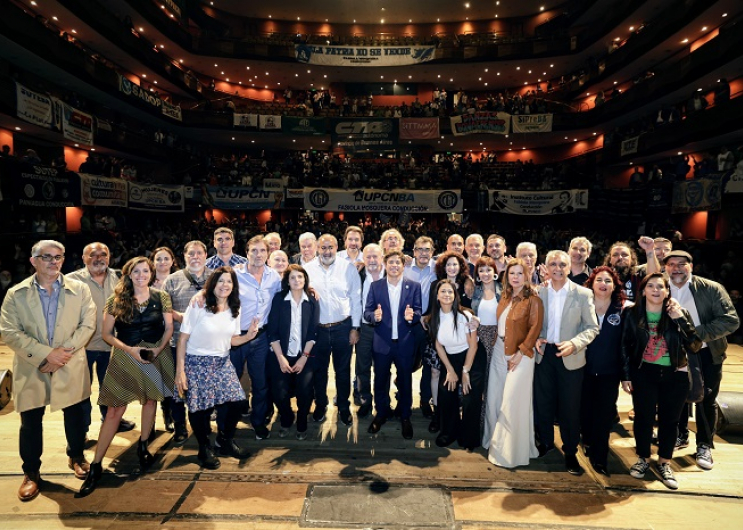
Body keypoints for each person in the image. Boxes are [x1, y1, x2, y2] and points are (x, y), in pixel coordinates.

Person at [1, 240, 96, 502]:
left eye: (58, 257)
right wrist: (46, 355)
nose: (53, 262)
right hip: (33, 365)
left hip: (69, 362)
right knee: (30, 422)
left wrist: (61, 354)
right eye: (46, 257)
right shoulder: (16, 294)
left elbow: (87, 325)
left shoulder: (80, 290)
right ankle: (31, 472)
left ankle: (76, 455)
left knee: (75, 414)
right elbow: (10, 332)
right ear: (33, 261)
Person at [79, 256, 174, 497]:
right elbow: (107, 334)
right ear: (129, 274)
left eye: (145, 271)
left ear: (151, 274)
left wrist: (158, 350)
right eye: (136, 271)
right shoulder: (115, 300)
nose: (141, 275)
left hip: (153, 355)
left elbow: (169, 327)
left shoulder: (161, 297)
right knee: (114, 411)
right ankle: (97, 465)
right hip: (125, 355)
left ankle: (143, 445)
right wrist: (130, 349)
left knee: (150, 401)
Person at [621, 272, 700, 490]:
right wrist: (626, 375)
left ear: (667, 291)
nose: (656, 290)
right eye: (651, 286)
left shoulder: (678, 313)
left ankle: (665, 462)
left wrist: (680, 319)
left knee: (670, 421)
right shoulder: (632, 313)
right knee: (643, 419)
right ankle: (643, 459)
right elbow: (625, 346)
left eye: (660, 287)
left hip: (675, 375)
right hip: (644, 373)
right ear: (643, 290)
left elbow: (694, 345)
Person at [664, 250, 740, 470]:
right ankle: (681, 435)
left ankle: (704, 444)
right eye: (671, 264)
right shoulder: (659, 286)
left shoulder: (711, 288)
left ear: (691, 266)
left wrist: (696, 334)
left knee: (706, 399)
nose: (676, 268)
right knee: (675, 396)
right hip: (672, 352)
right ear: (665, 267)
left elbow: (730, 321)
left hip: (706, 352)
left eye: (681, 264)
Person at [174, 266, 255, 469]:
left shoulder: (235, 307)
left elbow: (231, 340)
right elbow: (183, 339)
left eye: (229, 281)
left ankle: (224, 441)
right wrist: (180, 371)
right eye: (220, 281)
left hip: (221, 362)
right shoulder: (199, 305)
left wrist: (248, 336)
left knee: (237, 402)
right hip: (196, 362)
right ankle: (204, 448)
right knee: (200, 409)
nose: (225, 285)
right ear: (213, 284)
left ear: (234, 286)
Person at [534, 250, 599, 476]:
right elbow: (531, 323)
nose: (557, 268)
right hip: (544, 354)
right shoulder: (538, 292)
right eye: (553, 264)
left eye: (562, 264)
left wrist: (574, 343)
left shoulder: (582, 294)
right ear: (546, 267)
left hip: (570, 355)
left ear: (569, 267)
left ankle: (570, 452)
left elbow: (592, 328)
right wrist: (535, 338)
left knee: (570, 409)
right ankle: (545, 443)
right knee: (543, 403)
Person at [68, 243, 136, 437]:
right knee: (81, 391)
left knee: (111, 388)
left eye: (103, 254)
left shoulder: (120, 279)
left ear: (109, 257)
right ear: (83, 258)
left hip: (112, 346)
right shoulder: (71, 280)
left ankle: (111, 420)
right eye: (93, 255)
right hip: (82, 347)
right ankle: (82, 428)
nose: (98, 258)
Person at [482, 258, 543, 467]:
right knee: (494, 398)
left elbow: (535, 329)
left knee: (512, 403)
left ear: (527, 276)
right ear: (506, 276)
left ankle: (509, 453)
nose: (515, 277)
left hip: (521, 356)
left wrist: (521, 352)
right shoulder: (505, 297)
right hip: (499, 350)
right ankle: (493, 441)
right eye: (511, 273)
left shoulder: (534, 300)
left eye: (519, 273)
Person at [228, 235, 282, 439]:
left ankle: (258, 422)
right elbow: (217, 291)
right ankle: (228, 426)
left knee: (260, 383)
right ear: (247, 252)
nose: (258, 255)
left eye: (262, 251)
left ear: (268, 254)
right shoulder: (234, 274)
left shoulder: (274, 277)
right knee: (232, 382)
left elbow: (283, 297)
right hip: (236, 338)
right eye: (254, 251)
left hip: (261, 338)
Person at [304, 234, 362, 426]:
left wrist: (355, 327)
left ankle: (344, 408)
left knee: (343, 371)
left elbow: (355, 299)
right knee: (319, 371)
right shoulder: (308, 269)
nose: (327, 251)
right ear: (317, 248)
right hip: (318, 330)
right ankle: (321, 405)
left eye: (330, 247)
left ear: (337, 247)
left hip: (342, 327)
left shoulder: (348, 269)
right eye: (323, 248)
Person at [365, 250, 422, 439]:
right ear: (385, 265)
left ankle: (405, 415)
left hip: (405, 343)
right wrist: (375, 316)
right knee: (380, 380)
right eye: (391, 263)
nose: (395, 266)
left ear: (403, 266)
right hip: (382, 343)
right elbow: (367, 312)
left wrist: (412, 316)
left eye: (398, 262)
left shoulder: (414, 287)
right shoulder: (375, 286)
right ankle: (381, 412)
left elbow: (419, 313)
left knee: (405, 381)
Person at [162, 241, 213, 445]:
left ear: (205, 255)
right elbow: (165, 309)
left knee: (205, 386)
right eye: (191, 253)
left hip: (207, 344)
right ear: (184, 256)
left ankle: (205, 422)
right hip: (178, 342)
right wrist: (182, 317)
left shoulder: (215, 277)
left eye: (199, 253)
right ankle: (180, 424)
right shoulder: (172, 280)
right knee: (178, 387)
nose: (195, 257)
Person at [426, 279, 485, 449]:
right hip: (450, 358)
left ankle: (469, 436)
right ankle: (448, 432)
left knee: (470, 396)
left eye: (450, 291)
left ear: (455, 295)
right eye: (443, 291)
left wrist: (465, 371)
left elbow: (473, 345)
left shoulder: (465, 315)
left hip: (471, 357)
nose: (446, 295)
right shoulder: (433, 319)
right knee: (445, 392)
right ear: (437, 296)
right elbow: (438, 345)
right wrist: (450, 370)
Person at [580, 266, 627, 476]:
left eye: (608, 281)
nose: (603, 284)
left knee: (604, 415)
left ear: (615, 285)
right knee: (585, 411)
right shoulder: (582, 305)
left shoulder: (623, 310)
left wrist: (626, 375)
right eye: (599, 280)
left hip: (610, 372)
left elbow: (626, 345)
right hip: (583, 369)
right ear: (591, 283)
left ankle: (600, 458)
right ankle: (588, 441)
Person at [267, 264, 319, 440]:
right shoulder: (279, 299)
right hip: (281, 353)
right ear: (287, 281)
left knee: (305, 391)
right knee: (279, 392)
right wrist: (281, 358)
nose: (297, 280)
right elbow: (272, 332)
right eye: (293, 278)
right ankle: (287, 417)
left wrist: (304, 358)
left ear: (305, 280)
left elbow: (312, 332)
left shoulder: (312, 301)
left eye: (300, 277)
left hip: (305, 354)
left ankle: (302, 421)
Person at [404, 236, 437, 420]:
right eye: (419, 249)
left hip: (429, 324)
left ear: (432, 252)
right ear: (413, 251)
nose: (423, 253)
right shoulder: (405, 267)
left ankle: (425, 400)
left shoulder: (439, 268)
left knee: (428, 366)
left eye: (427, 249)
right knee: (405, 364)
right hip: (407, 324)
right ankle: (403, 399)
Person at [355, 243, 385, 419]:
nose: (372, 260)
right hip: (365, 328)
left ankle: (382, 403)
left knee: (382, 369)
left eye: (375, 256)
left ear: (382, 257)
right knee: (362, 367)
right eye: (368, 257)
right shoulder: (357, 275)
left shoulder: (391, 274)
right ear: (363, 259)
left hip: (385, 330)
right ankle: (365, 400)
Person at [471, 256, 502, 395]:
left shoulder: (503, 291)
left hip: (498, 337)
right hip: (478, 337)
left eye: (488, 270)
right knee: (480, 377)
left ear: (494, 271)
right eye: (481, 270)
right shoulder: (474, 291)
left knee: (495, 377)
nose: (485, 274)